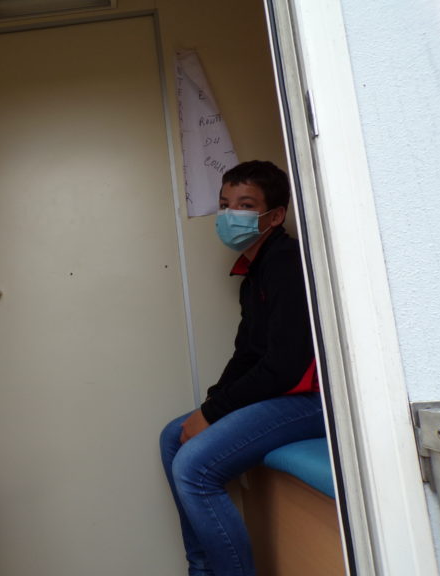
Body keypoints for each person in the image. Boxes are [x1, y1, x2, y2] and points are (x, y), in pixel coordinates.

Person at [160, 160, 325, 575]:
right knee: (173, 437)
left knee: (193, 469)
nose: (230, 214)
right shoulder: (256, 271)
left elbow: (286, 367)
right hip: (285, 395)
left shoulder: (286, 262)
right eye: (224, 204)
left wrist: (213, 413)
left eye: (245, 205)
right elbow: (248, 354)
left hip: (313, 402)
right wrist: (210, 405)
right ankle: (202, 569)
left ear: (275, 215)